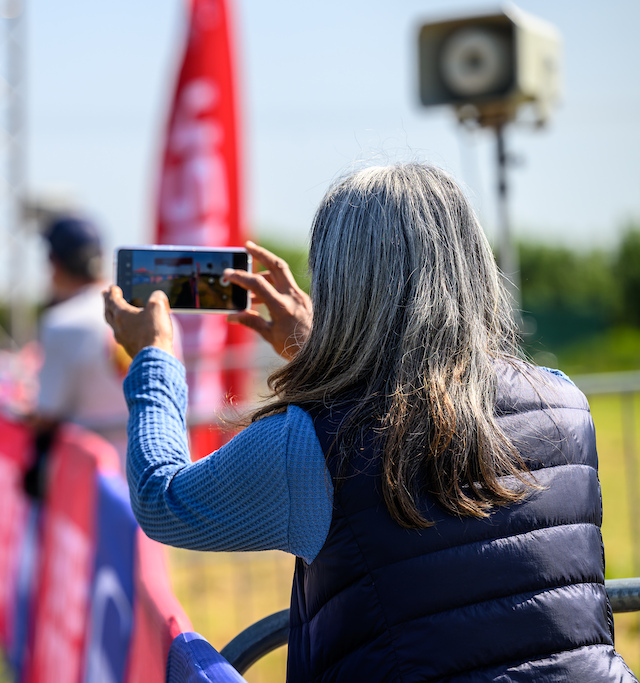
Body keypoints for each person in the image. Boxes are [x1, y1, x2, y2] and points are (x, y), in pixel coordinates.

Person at [104, 163, 636, 681]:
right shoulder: (564, 401)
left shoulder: (312, 442)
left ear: (339, 284)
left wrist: (154, 359)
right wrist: (320, 350)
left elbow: (163, 500)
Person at [29, 213, 135, 473]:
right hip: (159, 478)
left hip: (94, 484)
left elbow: (48, 414)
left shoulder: (61, 323)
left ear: (54, 264)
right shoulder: (158, 315)